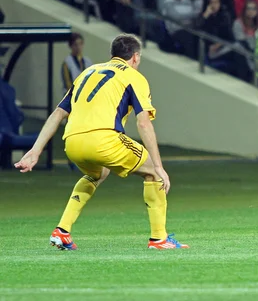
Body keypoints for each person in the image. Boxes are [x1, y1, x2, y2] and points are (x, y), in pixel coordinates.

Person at [14, 34, 189, 250]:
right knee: (152, 171)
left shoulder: (87, 72)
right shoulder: (134, 77)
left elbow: (58, 113)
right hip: (103, 139)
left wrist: (35, 150)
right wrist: (160, 166)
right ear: (135, 57)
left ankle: (62, 231)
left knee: (98, 173)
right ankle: (158, 239)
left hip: (72, 142)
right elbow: (143, 123)